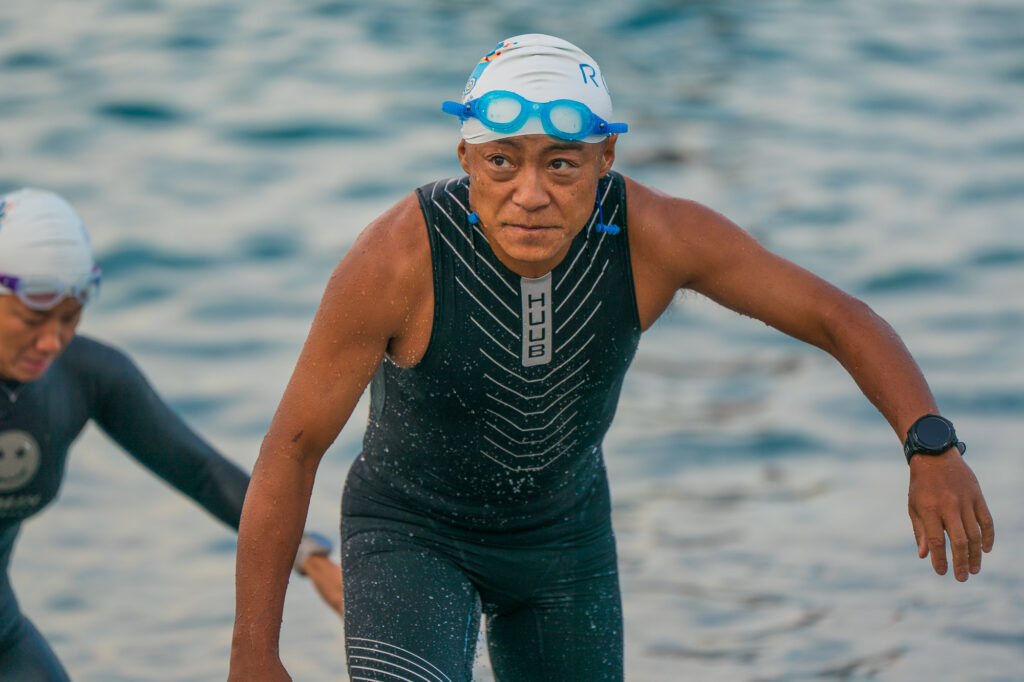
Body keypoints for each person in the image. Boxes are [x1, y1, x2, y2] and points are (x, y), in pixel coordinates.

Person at [228, 34, 995, 682]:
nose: (531, 193)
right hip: (410, 535)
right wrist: (253, 653)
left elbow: (837, 315)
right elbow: (292, 448)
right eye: (502, 162)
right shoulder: (400, 257)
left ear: (606, 157)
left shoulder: (657, 237)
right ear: (467, 156)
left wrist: (929, 442)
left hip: (564, 543)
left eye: (562, 163)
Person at [0, 188, 344, 682]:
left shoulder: (86, 375)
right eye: (32, 320)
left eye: (70, 318)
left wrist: (310, 557)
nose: (52, 341)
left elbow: (201, 472)